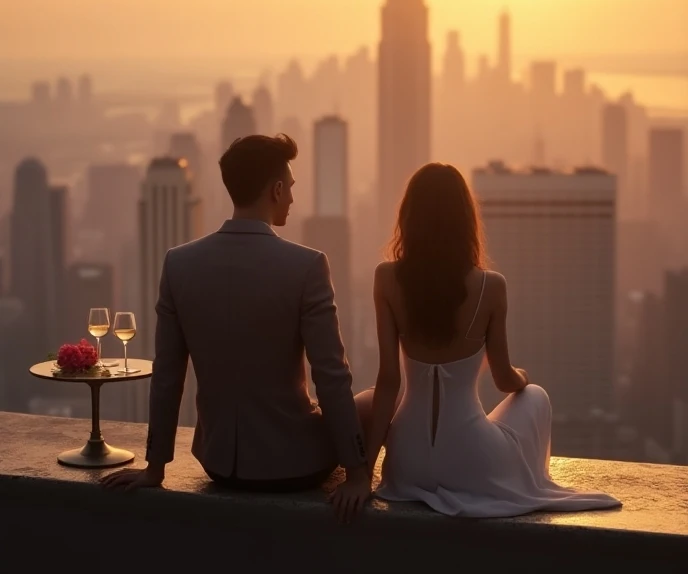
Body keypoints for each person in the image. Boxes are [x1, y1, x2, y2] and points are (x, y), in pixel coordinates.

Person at [103, 133, 370, 522]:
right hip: (295, 467)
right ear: (276, 190)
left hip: (219, 466)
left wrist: (155, 467)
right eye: (291, 188)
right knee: (375, 397)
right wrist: (358, 473)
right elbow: (331, 376)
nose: (293, 199)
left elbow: (167, 374)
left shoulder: (178, 264)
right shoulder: (307, 266)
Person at [362, 163, 621, 518]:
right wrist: (522, 376)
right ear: (465, 221)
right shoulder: (491, 286)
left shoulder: (386, 278)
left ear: (409, 218)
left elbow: (389, 381)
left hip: (407, 463)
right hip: (471, 459)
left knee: (373, 398)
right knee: (535, 396)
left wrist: (362, 474)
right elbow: (504, 380)